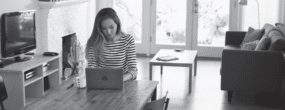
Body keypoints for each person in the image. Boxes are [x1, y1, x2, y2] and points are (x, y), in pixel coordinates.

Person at [85, 8, 138, 81]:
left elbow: (133, 71)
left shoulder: (128, 40)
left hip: (123, 83)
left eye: (111, 27)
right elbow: (92, 67)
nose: (108, 32)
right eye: (104, 28)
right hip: (102, 82)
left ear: (117, 24)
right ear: (99, 28)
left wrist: (119, 79)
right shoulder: (95, 42)